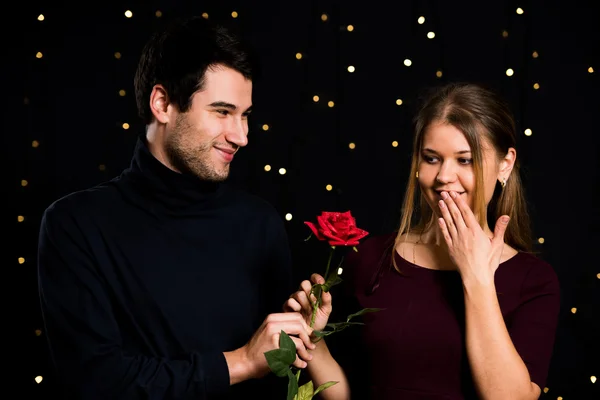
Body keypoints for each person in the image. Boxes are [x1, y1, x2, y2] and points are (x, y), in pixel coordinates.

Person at [37, 16, 316, 400]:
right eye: (222, 111)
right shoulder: (76, 224)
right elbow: (95, 382)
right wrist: (240, 363)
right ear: (163, 103)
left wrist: (306, 334)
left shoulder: (260, 222)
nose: (241, 136)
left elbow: (281, 378)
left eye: (245, 115)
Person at [286, 82, 561, 399]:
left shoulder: (535, 281)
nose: (444, 176)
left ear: (505, 164)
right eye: (431, 158)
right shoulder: (372, 258)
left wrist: (477, 277)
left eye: (465, 160)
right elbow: (348, 393)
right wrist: (314, 340)